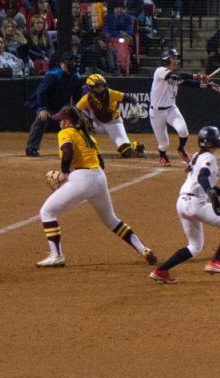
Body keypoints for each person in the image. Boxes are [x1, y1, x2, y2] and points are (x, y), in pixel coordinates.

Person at [36, 105, 156, 269]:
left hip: (81, 180)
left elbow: (67, 152)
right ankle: (142, 248)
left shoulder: (66, 133)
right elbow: (101, 163)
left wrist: (64, 173)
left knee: (47, 212)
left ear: (67, 121)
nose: (60, 122)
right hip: (99, 178)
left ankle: (56, 256)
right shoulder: (88, 136)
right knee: (111, 220)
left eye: (61, 119)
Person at [148, 125, 220, 282]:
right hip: (195, 204)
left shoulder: (196, 156)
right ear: (211, 142)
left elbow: (201, 182)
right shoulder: (208, 158)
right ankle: (216, 260)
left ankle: (161, 271)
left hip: (182, 203)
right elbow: (202, 178)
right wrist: (212, 196)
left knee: (194, 247)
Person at [151, 47, 220, 166]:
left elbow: (189, 83)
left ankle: (181, 149)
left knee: (183, 131)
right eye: (173, 58)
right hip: (156, 112)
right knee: (164, 144)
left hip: (171, 109)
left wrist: (208, 85)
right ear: (166, 59)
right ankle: (162, 155)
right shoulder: (160, 71)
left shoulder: (176, 76)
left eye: (176, 58)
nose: (176, 60)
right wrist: (198, 76)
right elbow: (175, 76)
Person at [75, 73, 146, 159]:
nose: (101, 88)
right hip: (97, 123)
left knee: (126, 152)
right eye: (97, 86)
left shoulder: (111, 93)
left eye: (102, 85)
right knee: (80, 122)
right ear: (90, 88)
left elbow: (131, 99)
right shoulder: (87, 98)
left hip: (113, 123)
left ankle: (134, 145)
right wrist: (84, 121)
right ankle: (78, 148)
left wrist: (135, 108)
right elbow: (76, 110)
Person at [24, 52, 82, 157]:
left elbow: (78, 96)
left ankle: (77, 147)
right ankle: (31, 148)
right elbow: (41, 92)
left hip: (62, 106)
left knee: (76, 121)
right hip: (46, 105)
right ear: (61, 64)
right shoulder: (53, 75)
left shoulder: (76, 76)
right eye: (66, 63)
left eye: (71, 62)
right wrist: (42, 108)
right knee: (41, 119)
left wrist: (75, 110)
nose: (68, 65)